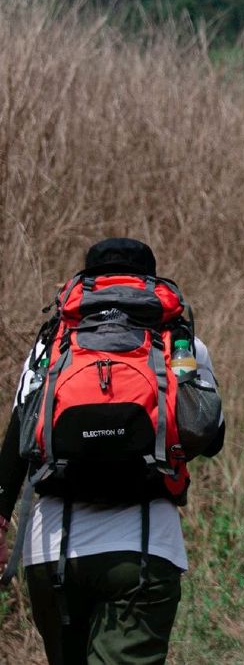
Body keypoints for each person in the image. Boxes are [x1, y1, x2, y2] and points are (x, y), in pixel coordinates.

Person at [0, 238, 225, 665]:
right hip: (144, 551)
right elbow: (210, 438)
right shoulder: (182, 347)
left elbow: (17, 442)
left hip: (52, 553)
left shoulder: (51, 348)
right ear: (151, 283)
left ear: (85, 284)